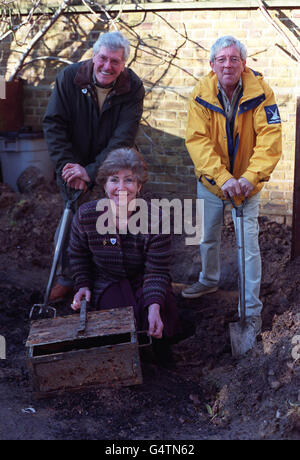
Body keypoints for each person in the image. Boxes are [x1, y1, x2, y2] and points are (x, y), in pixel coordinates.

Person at [182, 36, 282, 337]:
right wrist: (223, 178)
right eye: (221, 59)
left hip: (247, 185)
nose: (228, 64)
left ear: (243, 63)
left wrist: (248, 179)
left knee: (248, 247)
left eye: (234, 59)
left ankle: (251, 312)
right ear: (212, 64)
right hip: (213, 183)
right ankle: (208, 278)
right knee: (207, 236)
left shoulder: (262, 93)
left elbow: (270, 140)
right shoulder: (200, 94)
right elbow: (198, 143)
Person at [43, 30, 145, 301]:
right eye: (103, 59)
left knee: (116, 218)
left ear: (124, 65)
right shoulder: (69, 78)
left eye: (115, 61)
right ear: (93, 55)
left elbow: (122, 138)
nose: (107, 66)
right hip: (72, 162)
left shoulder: (132, 87)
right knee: (73, 218)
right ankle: (68, 278)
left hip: (113, 164)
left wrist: (90, 172)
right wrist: (68, 166)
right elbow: (54, 124)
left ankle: (114, 278)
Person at [69, 147, 182, 366]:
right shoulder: (86, 216)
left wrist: (154, 306)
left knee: (157, 310)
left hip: (143, 280)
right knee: (118, 322)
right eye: (114, 180)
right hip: (107, 281)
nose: (121, 188)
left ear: (139, 186)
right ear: (104, 184)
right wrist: (82, 284)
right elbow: (78, 255)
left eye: (129, 180)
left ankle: (161, 353)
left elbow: (156, 270)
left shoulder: (156, 219)